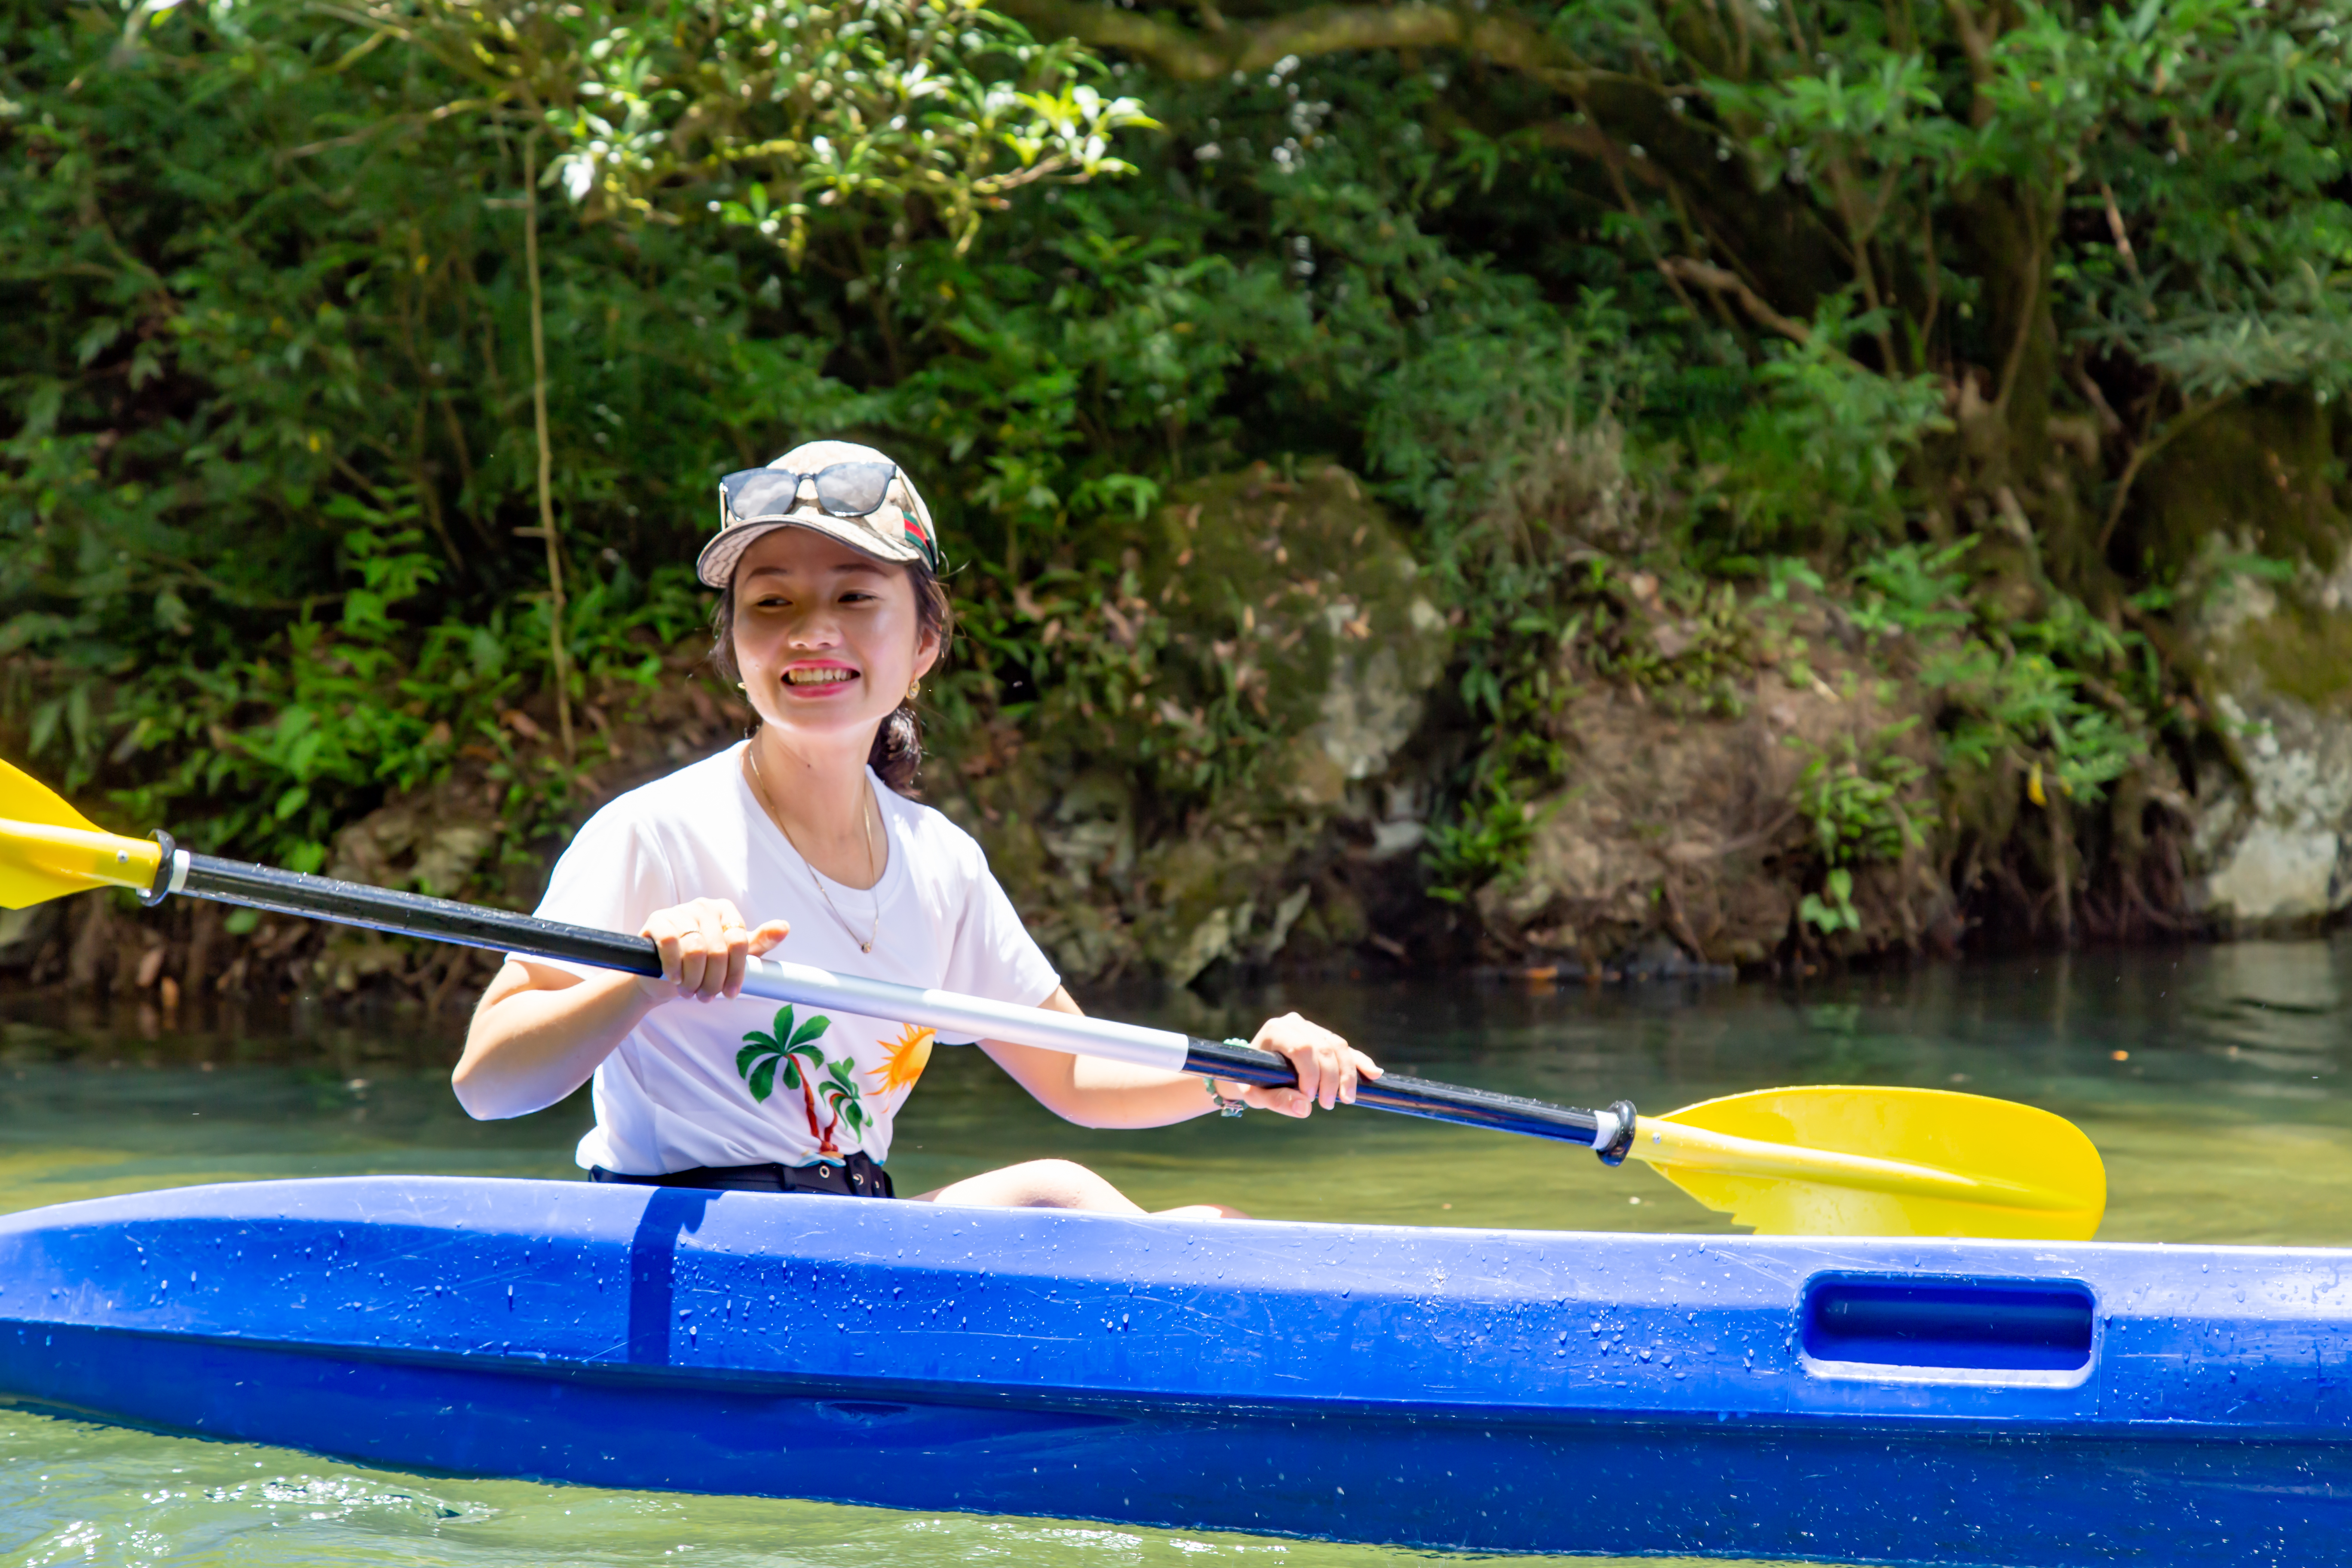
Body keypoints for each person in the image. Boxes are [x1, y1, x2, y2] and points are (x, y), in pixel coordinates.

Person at [452, 439, 1380, 1216]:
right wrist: (641, 984)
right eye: (771, 603)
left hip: (856, 1233)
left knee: (1095, 1198)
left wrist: (1245, 1074)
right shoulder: (652, 833)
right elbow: (487, 1085)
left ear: (925, 645)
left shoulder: (943, 864)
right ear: (735, 649)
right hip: (691, 1246)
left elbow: (1077, 1077)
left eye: (856, 599)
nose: (812, 633)